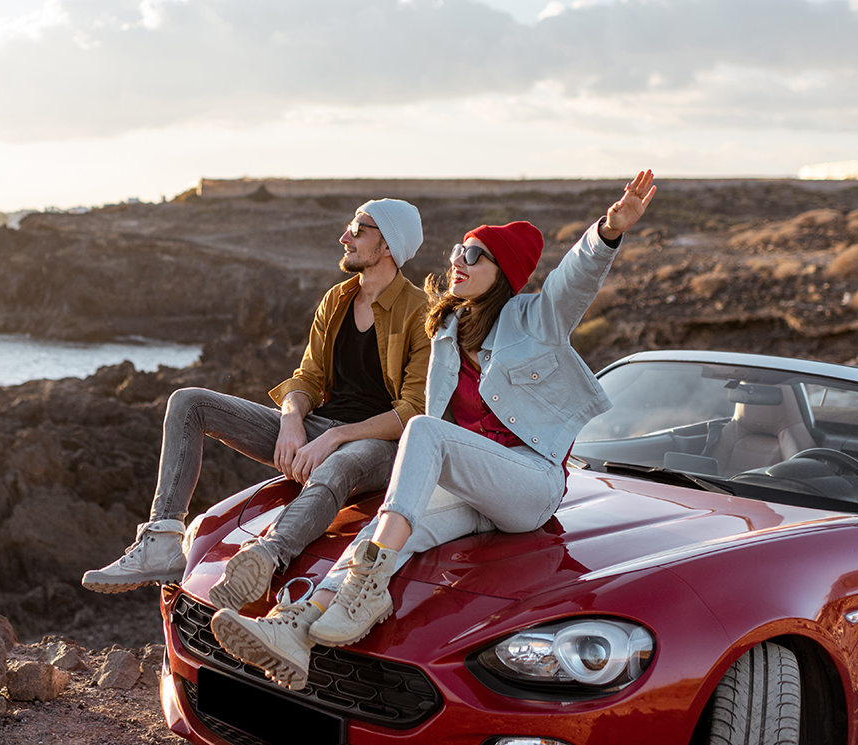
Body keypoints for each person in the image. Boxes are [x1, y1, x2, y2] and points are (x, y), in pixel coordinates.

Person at [211, 171, 658, 690]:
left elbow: (573, 279)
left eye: (473, 256)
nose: (457, 263)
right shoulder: (446, 331)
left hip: (529, 485)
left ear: (502, 272)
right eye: (455, 252)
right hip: (471, 481)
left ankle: (368, 589)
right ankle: (296, 628)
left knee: (423, 432)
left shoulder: (536, 320)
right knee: (388, 527)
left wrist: (607, 230)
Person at [81, 199, 434, 611]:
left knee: (337, 463)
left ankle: (266, 558)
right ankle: (161, 540)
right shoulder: (336, 300)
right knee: (188, 402)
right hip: (319, 429)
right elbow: (308, 378)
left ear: (388, 245)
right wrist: (291, 418)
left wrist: (335, 437)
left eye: (358, 230)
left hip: (379, 446)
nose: (345, 237)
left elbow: (413, 408)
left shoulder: (420, 312)